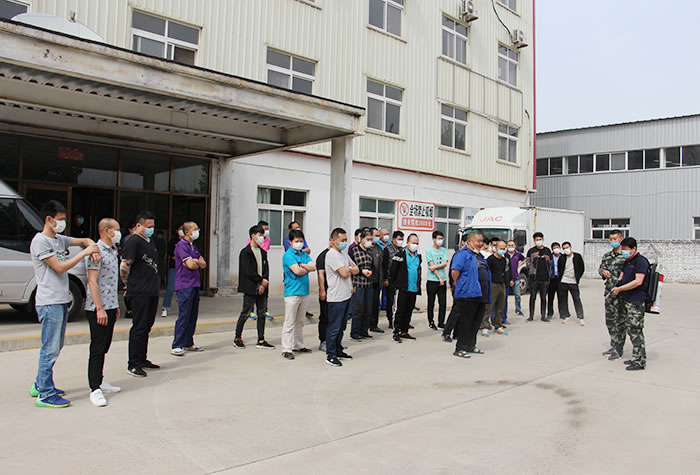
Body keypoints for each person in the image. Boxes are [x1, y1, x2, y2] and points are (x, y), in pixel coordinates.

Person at [29, 200, 99, 408]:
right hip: (49, 302)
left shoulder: (59, 239)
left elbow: (84, 240)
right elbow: (59, 267)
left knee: (55, 346)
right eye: (60, 219)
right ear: (48, 219)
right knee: (50, 348)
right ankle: (45, 394)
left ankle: (40, 384)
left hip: (60, 300)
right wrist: (84, 253)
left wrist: (92, 246)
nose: (63, 223)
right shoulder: (41, 242)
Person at [85, 218, 123, 407]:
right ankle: (94, 389)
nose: (119, 233)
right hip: (97, 308)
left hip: (110, 306)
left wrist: (114, 306)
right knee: (97, 348)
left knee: (105, 346)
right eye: (116, 229)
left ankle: (100, 381)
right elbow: (92, 281)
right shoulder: (96, 251)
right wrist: (99, 308)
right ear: (107, 231)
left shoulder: (113, 250)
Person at [120, 211, 161, 378]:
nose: (151, 229)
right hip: (139, 291)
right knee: (139, 327)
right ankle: (133, 363)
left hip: (152, 290)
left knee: (147, 326)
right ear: (139, 226)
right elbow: (125, 266)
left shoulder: (150, 241)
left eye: (153, 226)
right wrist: (127, 284)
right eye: (148, 226)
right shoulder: (133, 241)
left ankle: (142, 359)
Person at [232, 225, 274, 350]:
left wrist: (264, 282)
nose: (262, 238)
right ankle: (237, 338)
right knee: (245, 313)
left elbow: (265, 269)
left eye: (263, 235)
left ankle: (261, 339)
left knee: (262, 313)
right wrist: (260, 281)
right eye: (259, 235)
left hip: (262, 287)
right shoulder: (245, 253)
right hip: (250, 287)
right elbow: (248, 271)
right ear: (253, 236)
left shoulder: (263, 252)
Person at [611, 237, 649, 371]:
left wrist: (620, 289)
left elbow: (638, 281)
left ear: (634, 249)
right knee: (628, 329)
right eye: (623, 249)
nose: (624, 252)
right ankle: (636, 357)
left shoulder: (641, 262)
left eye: (626, 249)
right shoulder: (628, 261)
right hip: (626, 299)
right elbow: (622, 277)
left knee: (635, 330)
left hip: (636, 301)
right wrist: (616, 286)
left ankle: (639, 361)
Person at [324, 228, 359, 367]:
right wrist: (349, 269)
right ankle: (330, 355)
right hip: (336, 297)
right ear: (333, 241)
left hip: (346, 295)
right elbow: (345, 273)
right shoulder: (331, 255)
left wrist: (348, 269)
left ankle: (338, 350)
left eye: (346, 240)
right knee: (334, 327)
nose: (344, 242)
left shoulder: (344, 254)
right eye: (342, 240)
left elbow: (356, 269)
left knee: (342, 326)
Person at [170, 221, 207, 356]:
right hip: (185, 285)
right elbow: (191, 265)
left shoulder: (193, 246)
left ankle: (188, 342)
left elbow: (203, 264)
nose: (197, 231)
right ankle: (177, 344)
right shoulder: (181, 246)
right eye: (194, 229)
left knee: (192, 315)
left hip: (195, 284)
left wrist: (195, 261)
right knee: (184, 315)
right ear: (187, 232)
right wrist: (195, 261)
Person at [450, 231, 489, 358]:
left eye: (481, 241)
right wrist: (460, 283)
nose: (480, 243)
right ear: (469, 242)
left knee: (475, 322)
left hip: (480, 294)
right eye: (478, 241)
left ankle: (471, 345)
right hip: (467, 293)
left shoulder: (479, 256)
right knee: (465, 322)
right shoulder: (463, 254)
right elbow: (455, 271)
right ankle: (460, 348)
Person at [281, 229, 316, 359]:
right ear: (290, 242)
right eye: (296, 241)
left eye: (301, 241)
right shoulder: (288, 255)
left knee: (300, 321)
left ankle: (298, 345)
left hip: (304, 292)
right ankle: (286, 348)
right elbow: (297, 271)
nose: (299, 243)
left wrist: (303, 266)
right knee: (289, 322)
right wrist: (305, 268)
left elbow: (314, 266)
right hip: (292, 293)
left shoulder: (304, 254)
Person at [599, 230, 627, 360]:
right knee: (610, 321)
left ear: (621, 239)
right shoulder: (607, 256)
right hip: (609, 293)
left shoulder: (625, 256)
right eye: (610, 239)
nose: (612, 241)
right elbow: (601, 268)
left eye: (615, 239)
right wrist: (603, 272)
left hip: (621, 293)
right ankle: (614, 344)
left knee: (619, 322)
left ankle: (618, 349)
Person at [389, 233, 422, 342]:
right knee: (399, 311)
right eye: (413, 243)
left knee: (409, 311)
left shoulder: (418, 256)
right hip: (402, 288)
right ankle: (396, 332)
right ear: (407, 243)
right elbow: (393, 270)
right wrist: (396, 284)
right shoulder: (400, 255)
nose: (415, 245)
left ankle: (404, 331)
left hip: (413, 288)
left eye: (417, 243)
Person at [349, 229, 375, 341]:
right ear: (361, 239)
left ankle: (364, 331)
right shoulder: (354, 250)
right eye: (367, 239)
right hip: (357, 283)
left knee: (368, 309)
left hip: (368, 284)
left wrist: (371, 272)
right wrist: (361, 271)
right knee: (358, 309)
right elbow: (350, 267)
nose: (369, 242)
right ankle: (355, 333)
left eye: (371, 240)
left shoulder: (370, 251)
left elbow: (373, 266)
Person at [482, 240, 511, 336]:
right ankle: (484, 326)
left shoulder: (504, 260)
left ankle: (498, 325)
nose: (502, 250)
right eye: (500, 248)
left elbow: (505, 271)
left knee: (500, 306)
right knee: (489, 306)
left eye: (504, 248)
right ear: (496, 248)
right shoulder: (490, 259)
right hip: (492, 284)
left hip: (501, 284)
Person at [557, 241, 586, 326]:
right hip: (563, 281)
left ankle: (581, 317)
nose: (566, 249)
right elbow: (559, 268)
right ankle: (566, 316)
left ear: (570, 247)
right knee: (563, 300)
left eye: (567, 247)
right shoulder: (562, 257)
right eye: (564, 248)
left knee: (576, 299)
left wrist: (577, 277)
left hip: (573, 282)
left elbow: (582, 268)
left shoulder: (577, 256)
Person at [526, 232, 552, 322]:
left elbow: (550, 263)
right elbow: (528, 263)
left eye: (540, 239)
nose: (538, 241)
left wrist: (549, 275)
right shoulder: (531, 251)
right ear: (534, 241)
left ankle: (543, 316)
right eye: (537, 240)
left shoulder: (547, 251)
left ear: (543, 239)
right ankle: (531, 316)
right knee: (532, 297)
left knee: (543, 298)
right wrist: (531, 272)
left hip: (545, 278)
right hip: (534, 278)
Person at [425, 230, 448, 330]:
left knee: (442, 303)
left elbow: (445, 263)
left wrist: (435, 267)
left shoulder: (444, 250)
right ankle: (431, 322)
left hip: (443, 280)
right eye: (438, 238)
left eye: (441, 239)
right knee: (431, 302)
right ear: (434, 239)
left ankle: (441, 322)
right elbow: (431, 265)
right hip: (432, 280)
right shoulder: (429, 251)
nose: (440, 240)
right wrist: (439, 278)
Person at [382, 230, 404, 329]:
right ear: (393, 239)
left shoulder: (402, 250)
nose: (400, 241)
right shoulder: (387, 249)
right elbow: (384, 265)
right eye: (399, 239)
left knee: (400, 301)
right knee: (390, 301)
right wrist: (385, 279)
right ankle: (391, 320)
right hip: (390, 279)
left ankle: (400, 320)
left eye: (402, 239)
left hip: (400, 280)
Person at [161, 225, 183, 318]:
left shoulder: (188, 242)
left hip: (185, 269)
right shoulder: (173, 241)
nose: (182, 231)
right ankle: (165, 308)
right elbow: (172, 255)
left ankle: (183, 309)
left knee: (183, 290)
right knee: (170, 288)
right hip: (174, 267)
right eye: (180, 229)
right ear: (177, 230)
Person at [368, 227, 384, 334]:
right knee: (366, 305)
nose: (378, 238)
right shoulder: (366, 248)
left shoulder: (379, 248)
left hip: (377, 280)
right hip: (367, 281)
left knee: (375, 304)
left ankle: (374, 325)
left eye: (379, 236)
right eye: (376, 236)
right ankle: (365, 325)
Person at [316, 241, 331, 351]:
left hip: (337, 292)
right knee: (325, 316)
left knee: (335, 318)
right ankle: (323, 341)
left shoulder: (341, 255)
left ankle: (334, 341)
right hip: (326, 290)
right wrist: (322, 290)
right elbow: (320, 274)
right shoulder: (323, 256)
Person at [505, 240, 525, 319]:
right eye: (509, 245)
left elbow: (524, 259)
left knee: (517, 295)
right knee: (505, 296)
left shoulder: (518, 254)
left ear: (515, 246)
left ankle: (518, 309)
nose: (511, 247)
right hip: (506, 278)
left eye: (512, 245)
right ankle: (504, 311)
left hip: (516, 277)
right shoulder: (505, 254)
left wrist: (520, 264)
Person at [547, 242, 562, 320]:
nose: (556, 249)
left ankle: (562, 313)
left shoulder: (563, 257)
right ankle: (550, 313)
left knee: (561, 297)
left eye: (557, 247)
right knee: (550, 297)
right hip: (552, 279)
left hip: (560, 279)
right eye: (554, 248)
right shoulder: (550, 257)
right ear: (552, 249)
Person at [378, 228, 391, 311]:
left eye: (388, 234)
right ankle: (378, 306)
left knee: (386, 291)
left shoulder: (390, 245)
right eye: (385, 234)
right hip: (379, 271)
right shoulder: (377, 245)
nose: (387, 236)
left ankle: (385, 306)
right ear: (380, 235)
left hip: (388, 272)